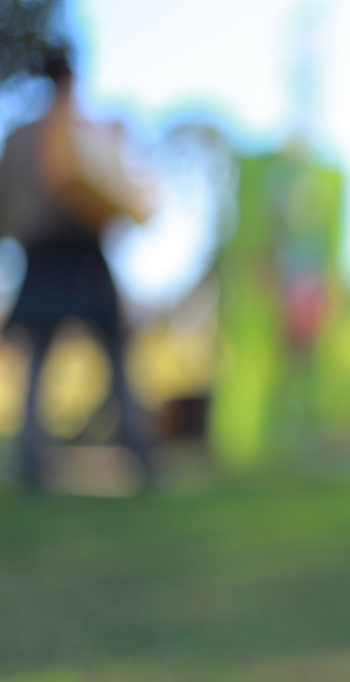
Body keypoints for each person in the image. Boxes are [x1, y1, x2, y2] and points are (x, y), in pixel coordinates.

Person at [0, 51, 154, 491]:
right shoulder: (83, 131)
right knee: (108, 353)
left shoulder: (23, 137)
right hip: (69, 252)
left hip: (52, 252)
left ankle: (37, 459)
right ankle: (137, 451)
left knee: (52, 355)